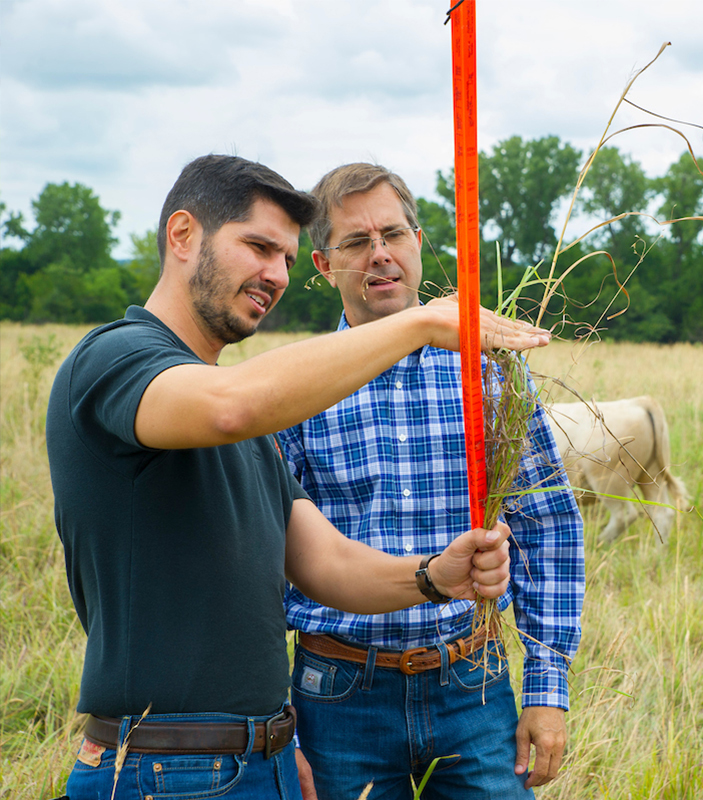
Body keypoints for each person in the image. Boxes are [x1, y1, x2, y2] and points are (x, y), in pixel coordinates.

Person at [46, 154, 550, 800]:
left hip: (264, 757)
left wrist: (432, 577)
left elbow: (325, 563)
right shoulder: (115, 358)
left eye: (285, 256)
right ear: (182, 236)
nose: (275, 274)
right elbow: (232, 407)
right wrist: (419, 323)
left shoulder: (242, 420)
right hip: (163, 766)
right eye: (258, 246)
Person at [277, 162, 585, 798]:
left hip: (471, 679)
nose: (380, 255)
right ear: (322, 265)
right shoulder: (295, 387)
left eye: (393, 234)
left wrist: (546, 692)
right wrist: (287, 731)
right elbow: (262, 559)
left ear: (420, 242)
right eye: (357, 242)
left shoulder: (489, 371)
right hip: (337, 694)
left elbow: (546, 521)